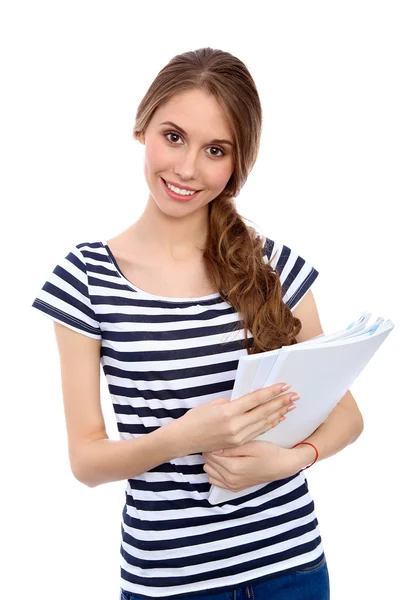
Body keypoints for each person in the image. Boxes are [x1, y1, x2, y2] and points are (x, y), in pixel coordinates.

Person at [31, 47, 364, 600]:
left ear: (237, 165)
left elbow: (348, 417)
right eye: (173, 136)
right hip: (171, 583)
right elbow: (86, 462)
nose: (186, 169)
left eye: (215, 150)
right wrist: (184, 436)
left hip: (293, 570)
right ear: (143, 128)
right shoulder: (86, 277)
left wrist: (289, 460)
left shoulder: (272, 266)